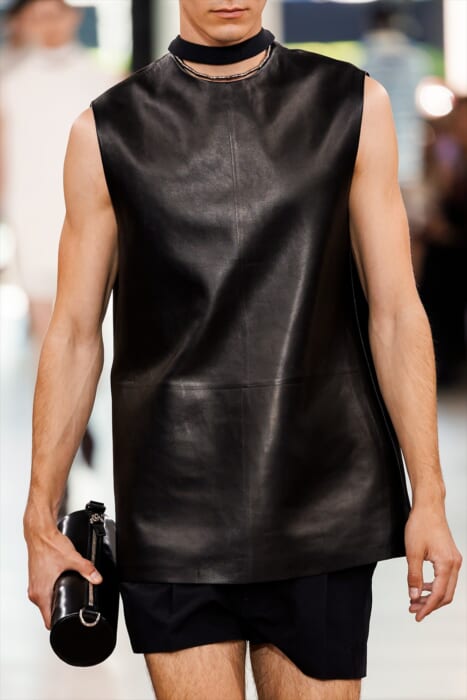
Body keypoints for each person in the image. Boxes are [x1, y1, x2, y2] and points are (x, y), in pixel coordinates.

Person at [22, 2, 463, 699]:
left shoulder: (351, 104)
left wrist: (429, 495)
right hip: (172, 501)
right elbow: (75, 333)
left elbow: (396, 311)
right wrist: (39, 516)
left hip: (322, 494)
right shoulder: (107, 130)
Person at [0, 0, 119, 474]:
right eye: (38, 15)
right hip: (32, 214)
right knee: (46, 330)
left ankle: (80, 419)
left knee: (89, 324)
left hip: (89, 215)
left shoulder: (103, 79)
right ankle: (59, 446)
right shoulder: (8, 83)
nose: (48, 24)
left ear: (74, 16)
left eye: (56, 13)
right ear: (22, 22)